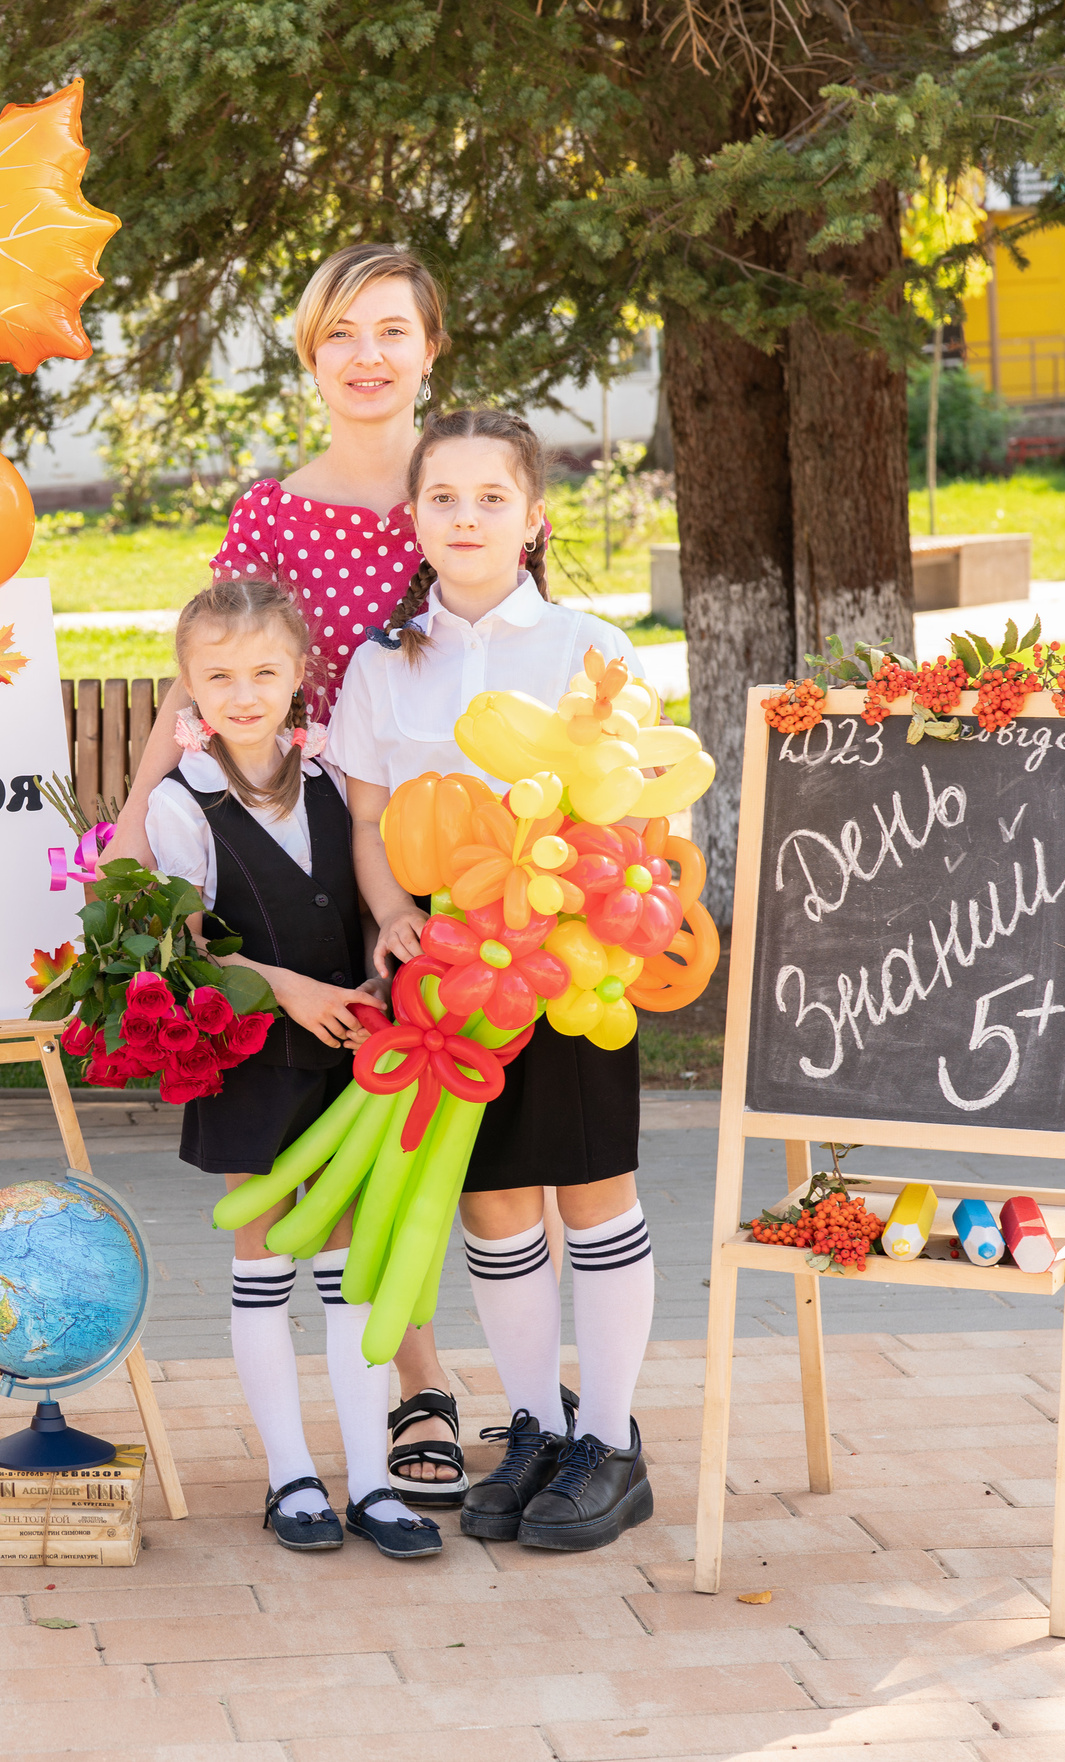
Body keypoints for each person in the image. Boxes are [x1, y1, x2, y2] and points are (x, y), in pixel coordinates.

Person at [114, 243, 473, 1504]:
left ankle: (467, 1385)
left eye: (391, 332)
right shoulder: (272, 511)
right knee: (344, 1121)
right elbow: (210, 667)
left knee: (431, 1134)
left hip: (442, 843)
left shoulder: (462, 497)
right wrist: (130, 815)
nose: (367, 358)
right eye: (340, 336)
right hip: (303, 852)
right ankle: (410, 1391)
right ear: (310, 356)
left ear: (431, 345)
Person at [324, 407, 658, 1554]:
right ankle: (531, 1425)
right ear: (411, 519)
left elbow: (638, 803)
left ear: (535, 517)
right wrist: (388, 917)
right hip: (448, 972)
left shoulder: (584, 648)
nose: (465, 517)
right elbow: (367, 817)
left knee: (591, 1191)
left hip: (566, 962)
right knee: (496, 1202)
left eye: (490, 498)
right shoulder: (379, 663)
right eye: (442, 498)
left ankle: (608, 1441)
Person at [152, 575, 442, 1560]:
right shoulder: (181, 804)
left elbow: (372, 903)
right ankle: (290, 1475)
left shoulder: (333, 781)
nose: (243, 692)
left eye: (263, 670)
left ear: (298, 673)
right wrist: (287, 988)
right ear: (188, 683)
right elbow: (184, 950)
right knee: (266, 1262)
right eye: (219, 674)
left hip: (349, 1061)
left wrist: (367, 981)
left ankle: (370, 1476)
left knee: (350, 1270)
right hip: (252, 1061)